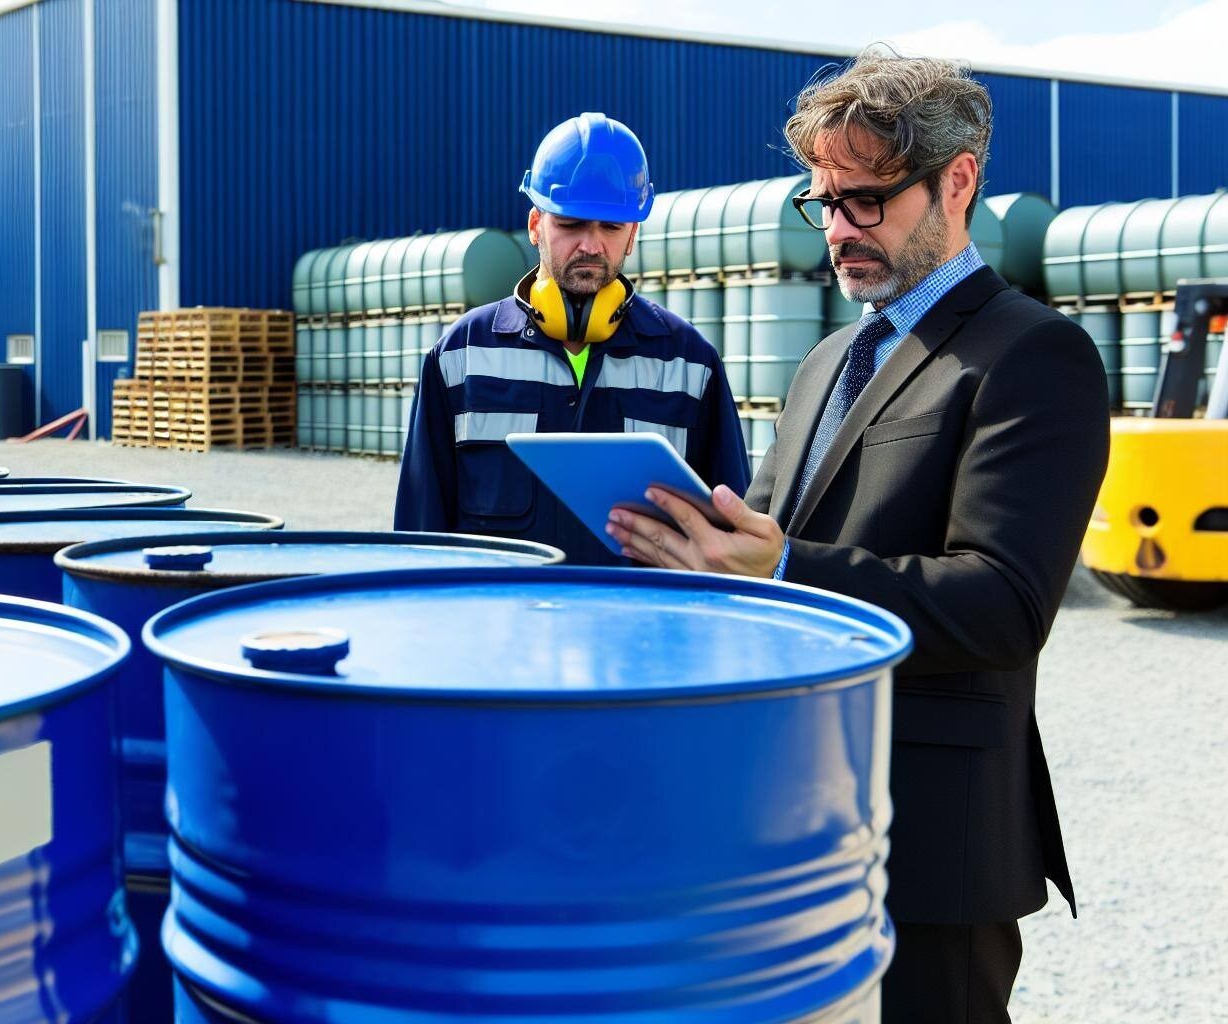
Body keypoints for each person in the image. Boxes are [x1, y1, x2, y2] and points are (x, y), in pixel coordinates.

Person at [605, 48, 1110, 1023]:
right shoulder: (826, 360)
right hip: (789, 819)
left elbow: (1002, 604)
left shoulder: (1031, 354)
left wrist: (786, 567)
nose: (838, 230)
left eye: (866, 200)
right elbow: (764, 543)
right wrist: (697, 552)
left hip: (931, 841)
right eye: (824, 203)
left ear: (957, 181)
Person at [395, 112, 747, 564]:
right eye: (571, 224)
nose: (591, 245)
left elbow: (729, 542)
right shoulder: (460, 356)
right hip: (506, 611)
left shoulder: (690, 363)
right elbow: (420, 539)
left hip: (637, 612)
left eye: (611, 227)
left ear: (632, 234)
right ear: (535, 225)